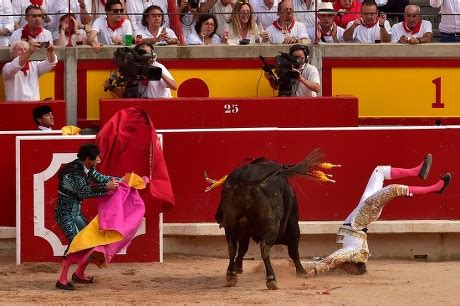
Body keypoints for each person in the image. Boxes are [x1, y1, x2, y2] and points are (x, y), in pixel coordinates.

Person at [306, 154, 452, 277]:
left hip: (358, 218)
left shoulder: (353, 254)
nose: (346, 268)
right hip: (362, 218)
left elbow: (332, 260)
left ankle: (416, 171)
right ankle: (435, 188)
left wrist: (309, 268)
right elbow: (334, 260)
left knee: (380, 171)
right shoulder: (356, 252)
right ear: (353, 264)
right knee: (392, 190)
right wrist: (315, 271)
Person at [55, 143, 120, 290]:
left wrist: (125, 181)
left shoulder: (87, 168)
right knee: (76, 244)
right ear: (87, 159)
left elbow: (102, 178)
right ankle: (62, 280)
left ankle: (78, 273)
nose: (99, 160)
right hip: (64, 213)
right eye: (96, 158)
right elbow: (83, 192)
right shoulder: (72, 172)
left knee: (92, 242)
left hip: (76, 214)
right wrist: (106, 187)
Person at [104, 43, 177, 98]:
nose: (147, 56)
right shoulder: (133, 68)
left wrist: (159, 73)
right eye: (143, 53)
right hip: (142, 106)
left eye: (149, 53)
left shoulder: (158, 66)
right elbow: (126, 94)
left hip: (160, 105)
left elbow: (174, 86)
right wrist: (111, 87)